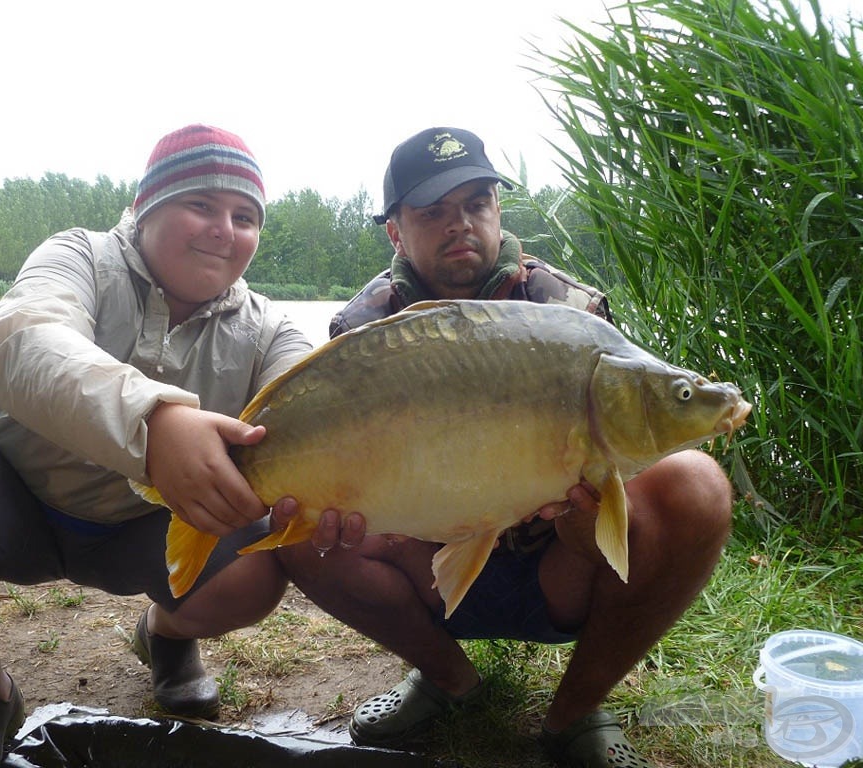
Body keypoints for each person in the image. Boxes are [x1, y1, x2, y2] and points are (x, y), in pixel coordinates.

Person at [0, 124, 315, 768]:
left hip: (148, 523)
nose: (223, 230)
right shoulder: (80, 256)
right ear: (146, 207)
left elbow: (316, 404)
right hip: (12, 489)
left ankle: (166, 638)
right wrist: (154, 421)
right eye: (200, 205)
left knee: (258, 570)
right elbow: (23, 337)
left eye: (245, 216)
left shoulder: (271, 326)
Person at [272, 127, 732, 768]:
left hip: (559, 572)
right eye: (433, 212)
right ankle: (446, 680)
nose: (458, 224)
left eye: (475, 204)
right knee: (293, 522)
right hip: (428, 563)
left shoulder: (570, 313)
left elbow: (610, 504)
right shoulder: (362, 327)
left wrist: (583, 518)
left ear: (497, 210)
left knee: (699, 484)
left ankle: (577, 711)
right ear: (395, 232)